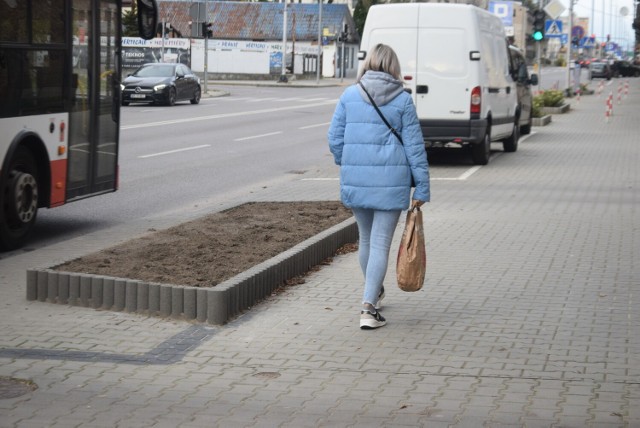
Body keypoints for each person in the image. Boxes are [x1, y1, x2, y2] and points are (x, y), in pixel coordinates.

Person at [327, 43, 430, 330]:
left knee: (366, 240)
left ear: (368, 63)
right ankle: (368, 308)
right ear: (394, 67)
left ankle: (374, 292)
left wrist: (347, 162)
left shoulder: (349, 95)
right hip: (391, 183)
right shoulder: (403, 100)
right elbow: (414, 148)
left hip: (357, 181)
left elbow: (334, 139)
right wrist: (421, 187)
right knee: (381, 243)